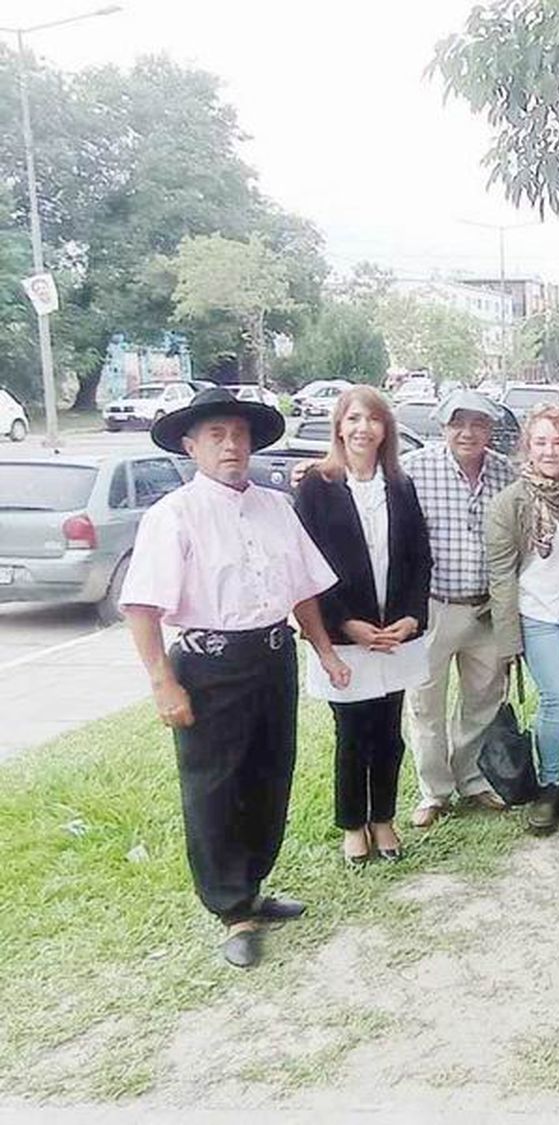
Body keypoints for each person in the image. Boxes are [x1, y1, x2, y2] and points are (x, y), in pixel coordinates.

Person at [119, 387, 350, 969]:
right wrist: (162, 682)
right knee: (214, 788)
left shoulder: (275, 507)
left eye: (239, 435)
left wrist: (324, 651)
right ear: (191, 446)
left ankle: (254, 884)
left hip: (272, 657)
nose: (231, 445)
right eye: (217, 435)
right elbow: (142, 607)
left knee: (270, 774)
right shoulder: (173, 516)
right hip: (209, 664)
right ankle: (232, 909)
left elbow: (302, 592)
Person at [294, 387, 433, 865]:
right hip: (345, 636)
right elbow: (306, 565)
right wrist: (345, 624)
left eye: (373, 420)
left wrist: (412, 616)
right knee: (352, 734)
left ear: (385, 430)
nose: (362, 428)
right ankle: (353, 825)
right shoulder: (316, 485)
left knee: (388, 733)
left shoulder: (400, 484)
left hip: (395, 633)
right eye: (353, 418)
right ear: (338, 425)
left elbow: (419, 559)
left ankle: (384, 819)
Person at [402, 390, 516, 828]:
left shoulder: (506, 475)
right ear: (443, 426)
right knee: (424, 704)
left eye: (478, 423)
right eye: (458, 423)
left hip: (486, 610)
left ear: (490, 429)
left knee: (483, 699)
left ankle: (470, 776)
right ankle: (434, 790)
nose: (468, 432)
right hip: (433, 606)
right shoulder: (414, 470)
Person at [488, 404, 559, 835]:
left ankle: (555, 777)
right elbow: (500, 576)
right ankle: (547, 787)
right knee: (557, 697)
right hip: (540, 614)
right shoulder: (510, 503)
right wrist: (508, 642)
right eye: (541, 442)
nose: (550, 450)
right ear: (527, 447)